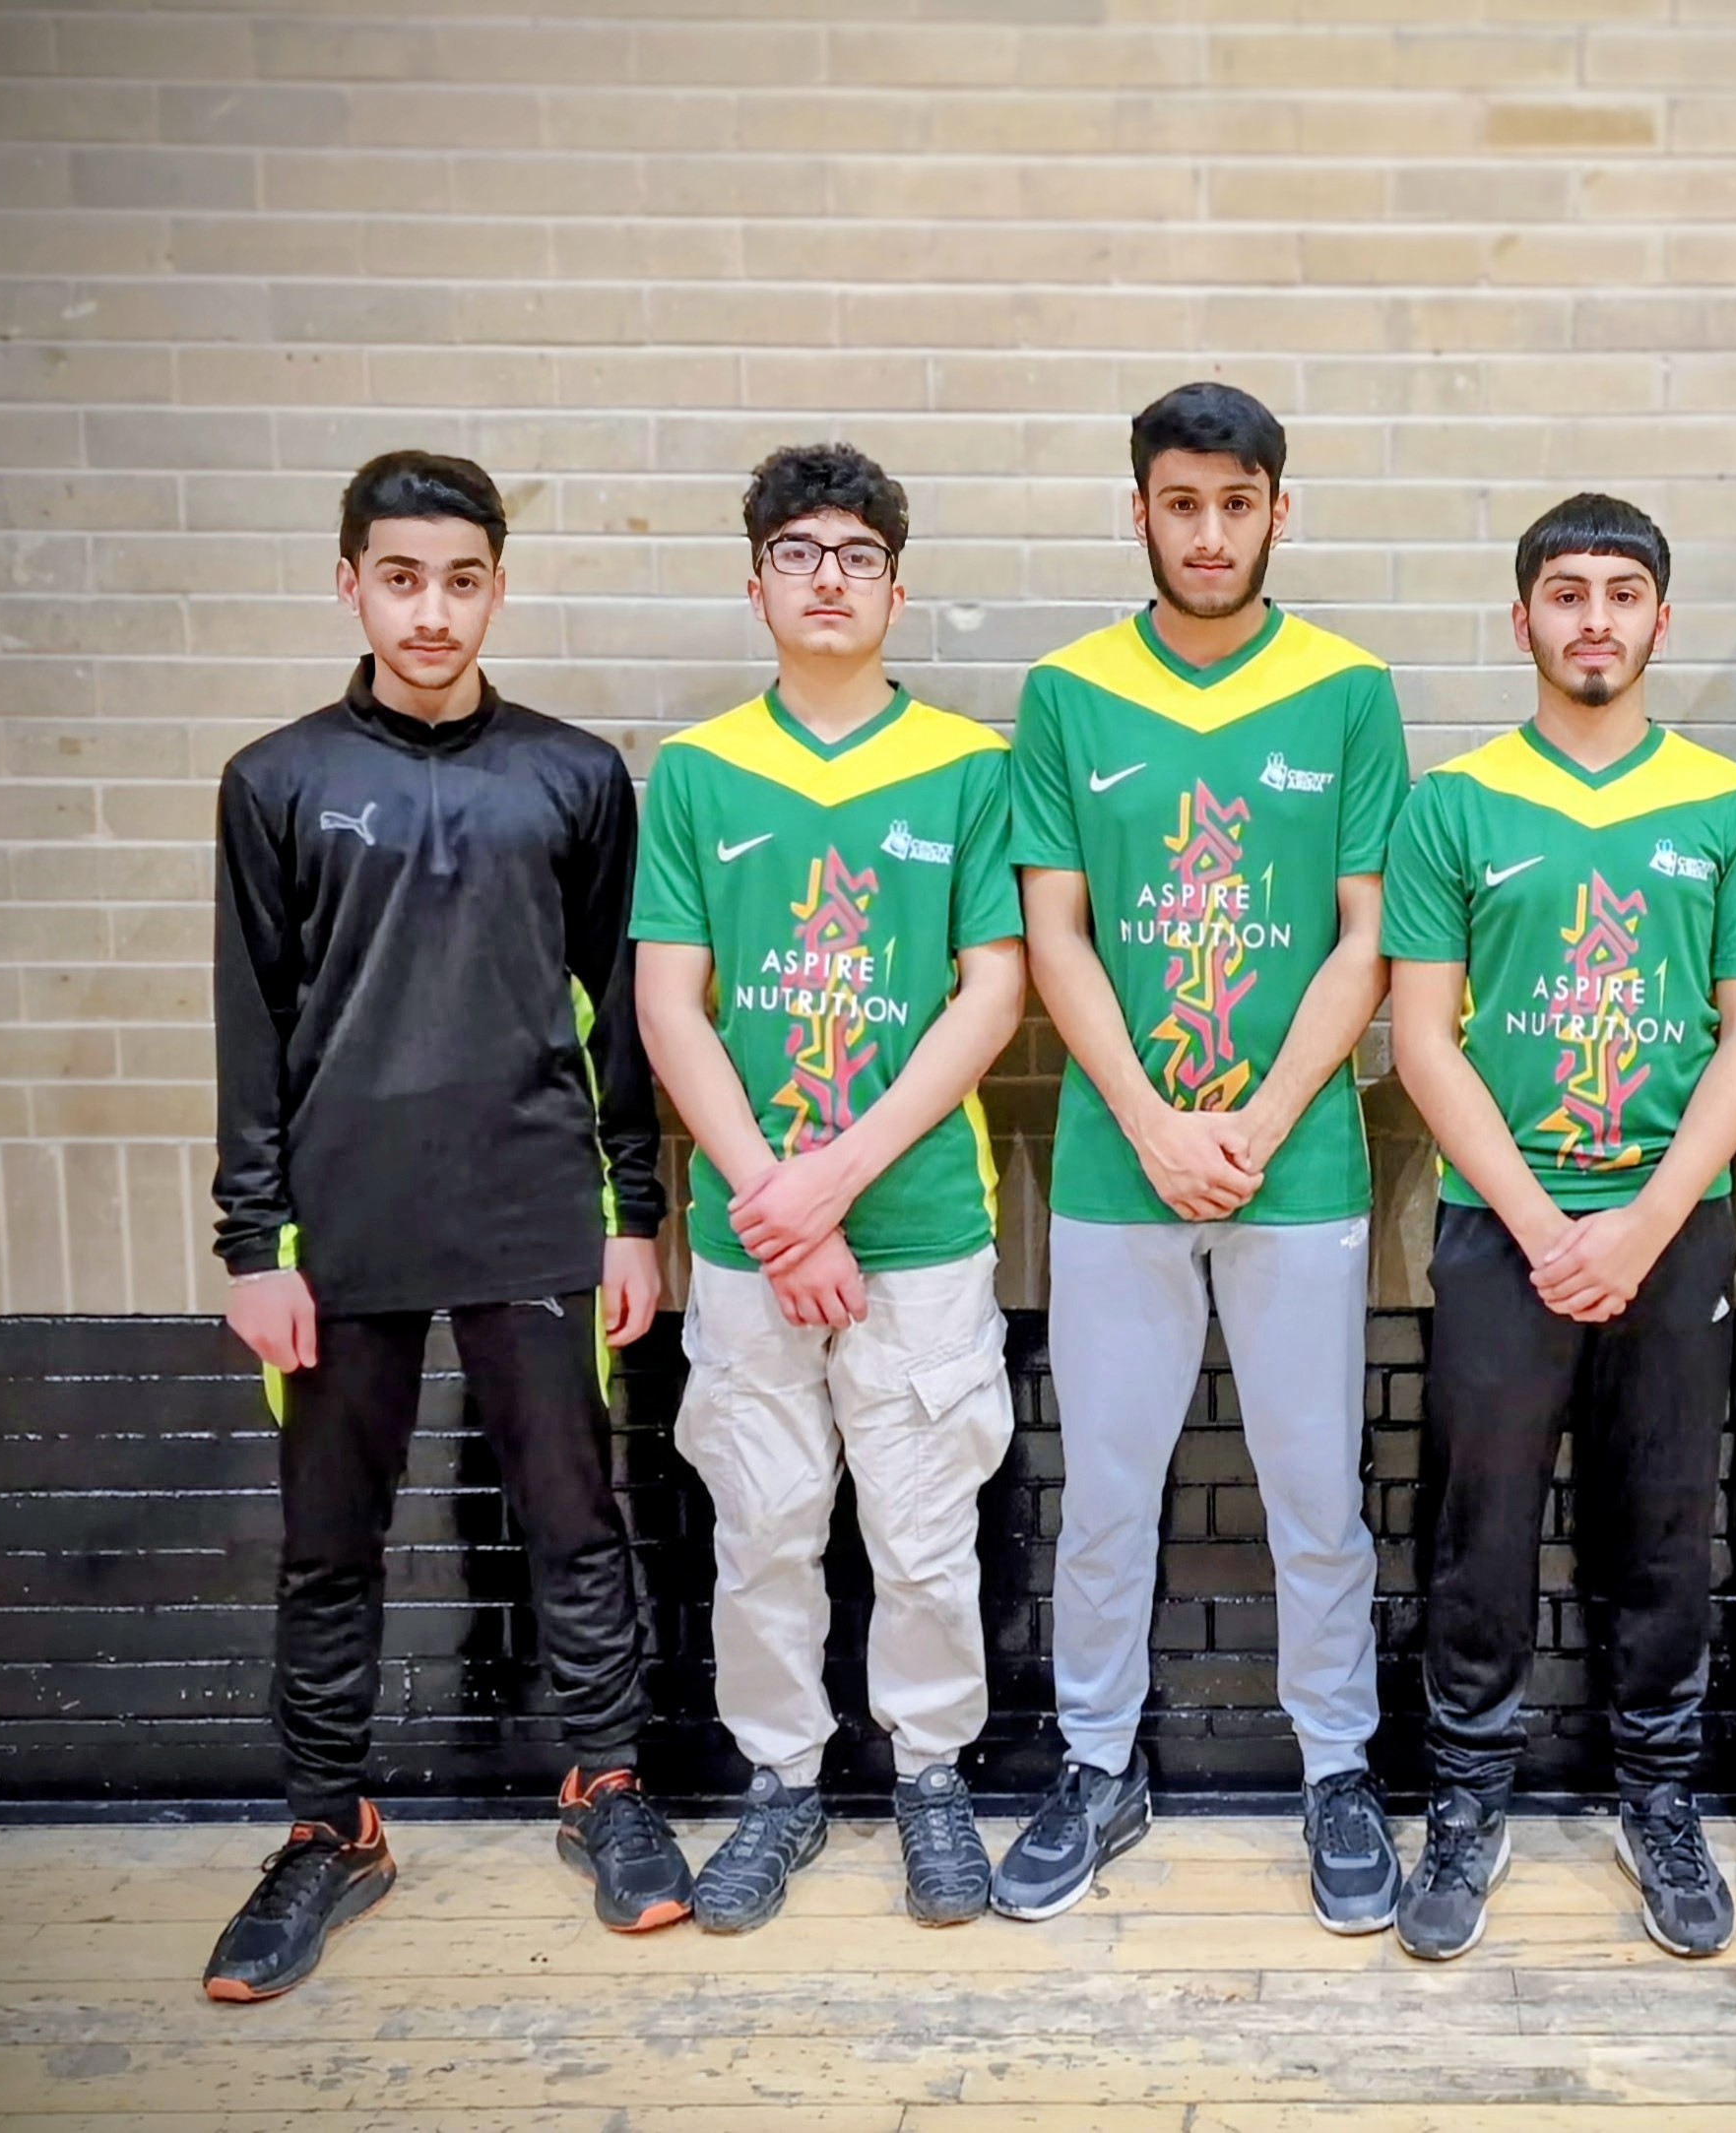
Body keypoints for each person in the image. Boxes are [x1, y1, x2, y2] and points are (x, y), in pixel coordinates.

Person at [206, 451, 687, 2001]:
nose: (432, 609)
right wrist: (250, 1239)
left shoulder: (573, 776)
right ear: (348, 579)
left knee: (575, 1518)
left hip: (539, 1207)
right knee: (330, 1545)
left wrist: (635, 1212)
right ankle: (330, 1825)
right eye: (401, 577)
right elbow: (250, 1025)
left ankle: (603, 1783)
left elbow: (624, 1018)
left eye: (462, 578)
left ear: (497, 587)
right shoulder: (274, 780)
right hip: (340, 1233)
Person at [997, 382, 1410, 1933]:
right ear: (1142, 511)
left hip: (1297, 1167)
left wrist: (1257, 1117)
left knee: (1317, 1490)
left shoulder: (1350, 691)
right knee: (1106, 1490)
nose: (1212, 531)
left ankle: (1339, 1770)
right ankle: (1100, 1766)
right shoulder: (1067, 692)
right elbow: (1055, 934)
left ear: (1278, 513)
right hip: (1118, 1164)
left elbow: (1365, 941)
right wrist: (1161, 1122)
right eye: (1183, 502)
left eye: (1239, 503)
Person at [1383, 493, 1736, 1961]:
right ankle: (1470, 1799)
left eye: (1625, 592)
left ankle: (1659, 1796)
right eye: (1567, 593)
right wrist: (1552, 1221)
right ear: (1524, 620)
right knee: (1480, 1528)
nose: (1597, 618)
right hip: (1508, 1225)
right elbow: (1424, 1041)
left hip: (1671, 1224)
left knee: (1662, 1528)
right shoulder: (1454, 804)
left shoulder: (1729, 807)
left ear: (1660, 621)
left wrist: (1643, 1221)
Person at [631, 443, 1026, 1931]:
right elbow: (671, 1004)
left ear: (896, 586)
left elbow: (993, 992)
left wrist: (835, 1184)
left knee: (925, 1534)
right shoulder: (700, 774)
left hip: (919, 1223)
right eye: (800, 552)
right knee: (766, 1528)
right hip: (747, 1238)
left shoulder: (969, 769)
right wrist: (770, 1198)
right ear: (757, 585)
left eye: (857, 553)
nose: (830, 576)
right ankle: (781, 1785)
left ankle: (930, 1777)